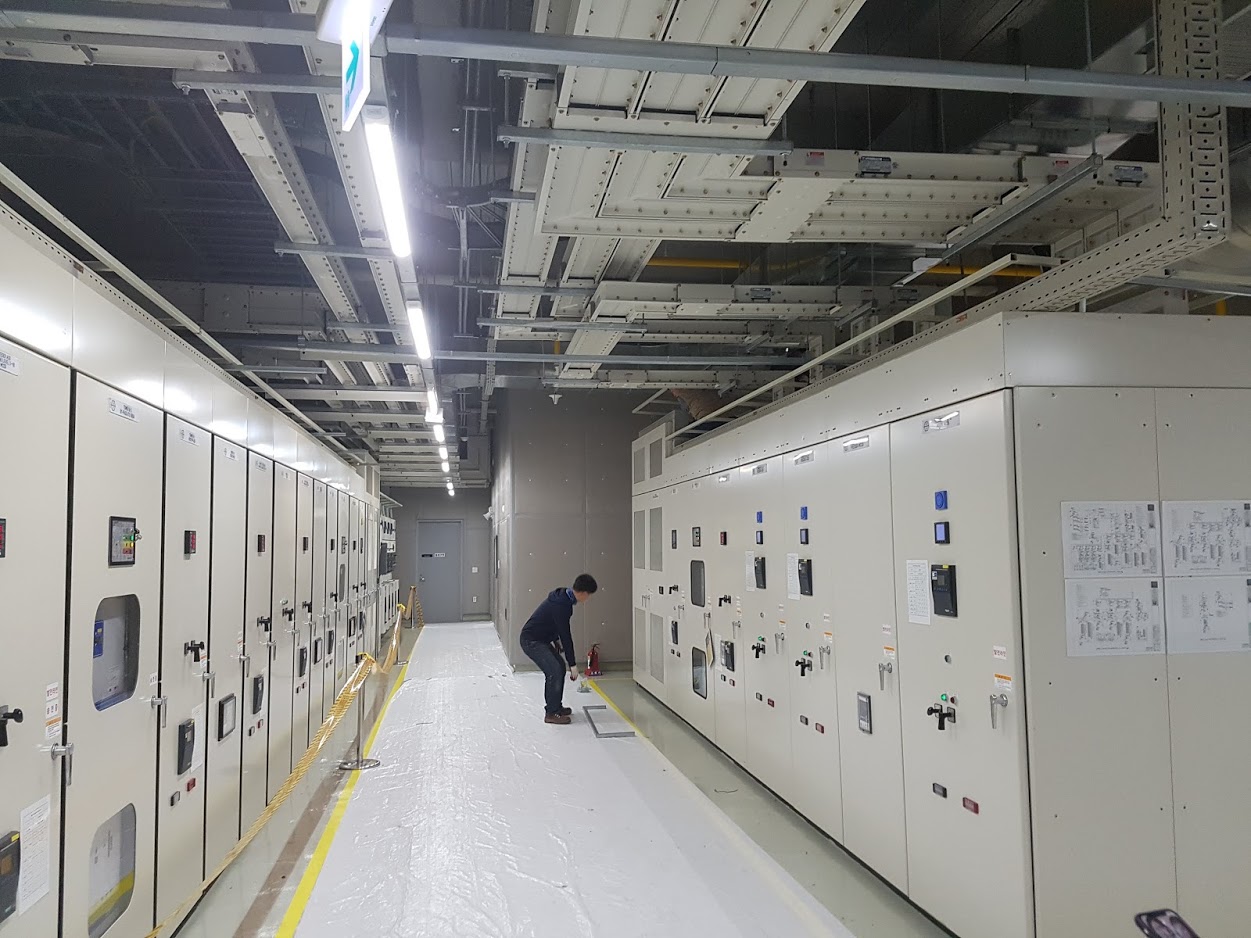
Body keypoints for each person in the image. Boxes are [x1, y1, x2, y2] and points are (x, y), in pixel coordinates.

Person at [519, 574, 597, 724]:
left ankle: (557, 707)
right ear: (583, 593)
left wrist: (555, 640)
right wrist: (573, 665)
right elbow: (565, 635)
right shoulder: (562, 605)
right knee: (554, 671)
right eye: (589, 595)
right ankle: (551, 713)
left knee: (559, 667)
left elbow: (552, 623)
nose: (587, 599)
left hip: (540, 639)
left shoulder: (563, 598)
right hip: (531, 641)